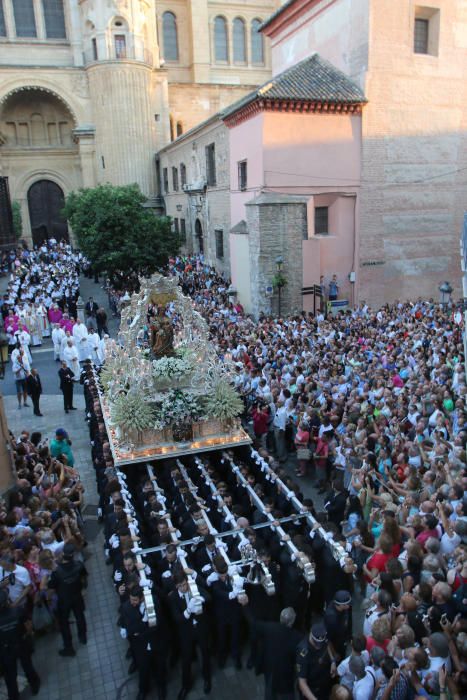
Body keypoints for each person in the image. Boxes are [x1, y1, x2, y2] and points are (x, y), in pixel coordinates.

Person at [168, 570, 211, 699]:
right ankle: (185, 685)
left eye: (185, 584)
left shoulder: (194, 588)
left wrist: (200, 598)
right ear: (176, 586)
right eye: (180, 586)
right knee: (186, 659)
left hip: (200, 628)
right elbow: (177, 618)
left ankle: (207, 678)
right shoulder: (173, 597)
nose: (184, 588)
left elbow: (209, 597)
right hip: (186, 632)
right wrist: (188, 610)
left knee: (205, 653)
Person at [245, 606, 302, 700]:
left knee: (270, 693)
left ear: (280, 618)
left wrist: (245, 606)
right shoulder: (297, 637)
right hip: (286, 675)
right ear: (292, 622)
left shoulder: (269, 628)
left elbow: (253, 622)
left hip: (270, 670)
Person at [47, 542, 87, 657]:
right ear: (73, 554)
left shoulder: (56, 572)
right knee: (80, 616)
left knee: (64, 623)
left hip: (64, 601)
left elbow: (51, 587)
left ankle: (69, 647)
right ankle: (82, 637)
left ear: (63, 554)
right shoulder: (79, 565)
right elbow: (84, 578)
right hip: (77, 596)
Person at [0, 589, 41, 700]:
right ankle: (34, 684)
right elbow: (28, 626)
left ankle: (14, 696)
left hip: (6, 650)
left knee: (10, 675)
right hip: (21, 643)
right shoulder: (18, 611)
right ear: (7, 600)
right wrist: (27, 635)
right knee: (27, 665)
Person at [296, 622, 336, 699]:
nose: (318, 647)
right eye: (316, 644)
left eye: (320, 644)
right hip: (311, 690)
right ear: (311, 634)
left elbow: (327, 644)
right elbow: (302, 682)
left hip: (324, 685)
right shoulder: (303, 652)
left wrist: (332, 661)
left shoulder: (322, 636)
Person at [11, 345, 30, 409]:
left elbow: (27, 370)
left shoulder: (24, 362)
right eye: (19, 358)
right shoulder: (15, 364)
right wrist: (20, 368)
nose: (20, 359)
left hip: (24, 378)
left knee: (25, 391)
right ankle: (19, 403)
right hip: (18, 379)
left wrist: (28, 374)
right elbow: (14, 372)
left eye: (20, 358)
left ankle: (25, 402)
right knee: (19, 392)